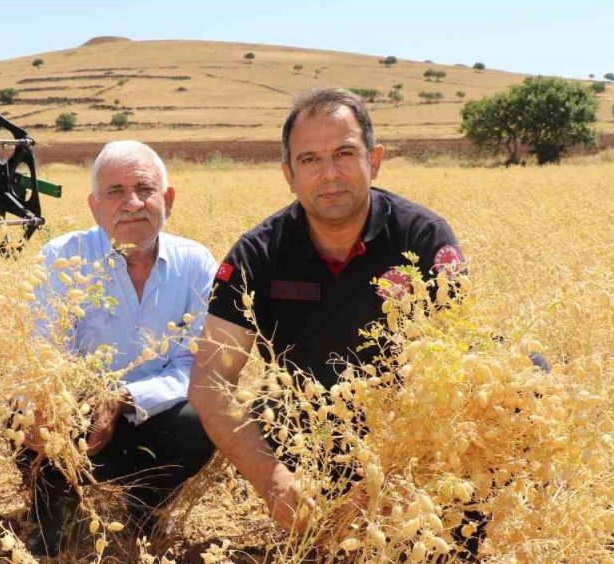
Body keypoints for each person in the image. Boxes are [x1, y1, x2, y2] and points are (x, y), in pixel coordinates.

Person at [188, 88, 467, 534]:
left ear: (373, 161)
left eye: (344, 153)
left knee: (526, 374)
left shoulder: (424, 238)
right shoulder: (256, 253)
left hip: (406, 430)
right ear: (289, 175)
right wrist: (272, 479)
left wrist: (394, 460)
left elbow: (454, 364)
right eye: (310, 160)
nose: (330, 174)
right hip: (309, 430)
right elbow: (210, 383)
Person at [17, 140, 218, 555]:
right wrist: (77, 403)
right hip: (80, 415)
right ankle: (56, 516)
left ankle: (145, 511)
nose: (132, 203)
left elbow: (193, 366)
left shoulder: (197, 264)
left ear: (169, 199)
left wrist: (124, 397)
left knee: (203, 417)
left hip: (157, 414)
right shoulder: (61, 258)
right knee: (24, 416)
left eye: (145, 189)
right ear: (94, 207)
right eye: (115, 192)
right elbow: (46, 355)